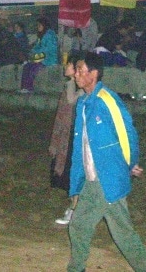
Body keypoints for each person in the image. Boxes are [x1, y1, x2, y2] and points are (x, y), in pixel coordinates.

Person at [67, 52, 146, 272]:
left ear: (93, 74)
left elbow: (127, 134)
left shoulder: (107, 100)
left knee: (86, 226)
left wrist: (129, 163)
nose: (76, 74)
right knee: (113, 230)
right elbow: (81, 147)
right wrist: (76, 183)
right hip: (94, 178)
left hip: (106, 177)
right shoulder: (83, 103)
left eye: (80, 70)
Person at [49, 52, 83, 225]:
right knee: (69, 175)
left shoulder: (78, 88)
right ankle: (74, 209)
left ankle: (74, 211)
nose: (65, 67)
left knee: (73, 175)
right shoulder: (73, 86)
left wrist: (71, 83)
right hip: (67, 135)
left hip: (73, 136)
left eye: (69, 64)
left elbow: (70, 101)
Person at [20, 17, 58, 93]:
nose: (38, 27)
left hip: (49, 57)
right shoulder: (41, 35)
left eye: (39, 25)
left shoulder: (50, 35)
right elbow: (37, 46)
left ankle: (29, 88)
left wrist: (36, 53)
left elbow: (48, 49)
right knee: (27, 66)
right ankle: (24, 87)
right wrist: (32, 51)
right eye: (37, 25)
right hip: (42, 56)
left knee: (33, 68)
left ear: (44, 25)